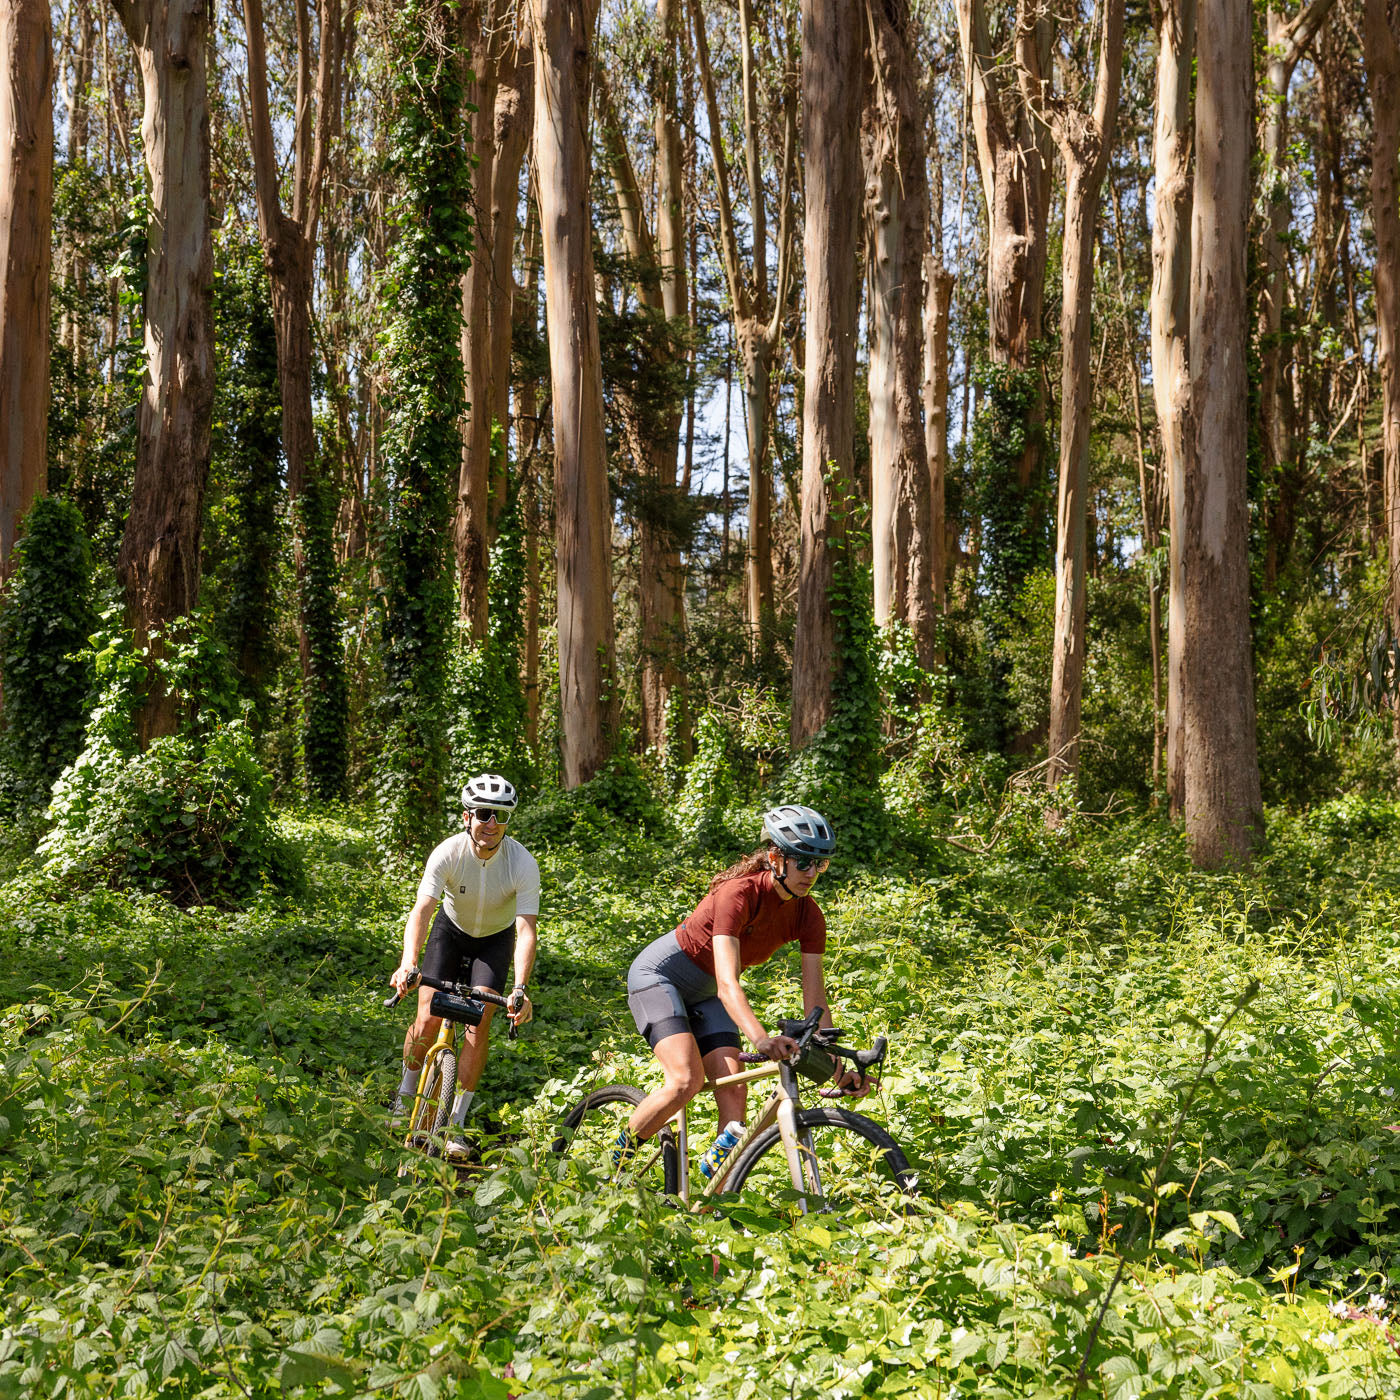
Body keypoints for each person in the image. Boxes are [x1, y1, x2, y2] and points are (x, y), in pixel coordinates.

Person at [619, 803, 866, 1174]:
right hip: (659, 978)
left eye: (821, 864)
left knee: (734, 1090)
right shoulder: (738, 894)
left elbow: (815, 999)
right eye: (803, 862)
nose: (812, 873)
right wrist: (760, 1038)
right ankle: (613, 1167)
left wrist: (837, 1066)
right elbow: (727, 982)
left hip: (703, 994)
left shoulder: (809, 914)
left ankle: (711, 1193)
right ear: (774, 858)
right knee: (686, 1081)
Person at [389, 773, 539, 1158]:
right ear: (466, 816)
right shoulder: (448, 852)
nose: (492, 824)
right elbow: (422, 909)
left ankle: (455, 1123)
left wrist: (520, 987)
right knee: (427, 1016)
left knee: (480, 1020)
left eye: (501, 817)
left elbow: (525, 931)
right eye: (484, 814)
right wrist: (408, 962)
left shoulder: (521, 862)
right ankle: (405, 1098)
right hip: (450, 932)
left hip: (495, 940)